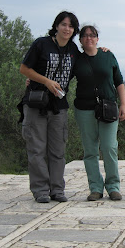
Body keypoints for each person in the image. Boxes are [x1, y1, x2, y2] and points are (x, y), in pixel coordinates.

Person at [19, 11, 80, 203]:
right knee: (36, 149)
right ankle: (40, 191)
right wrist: (46, 81)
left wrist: (102, 50)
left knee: (57, 150)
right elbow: (24, 69)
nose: (67, 29)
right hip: (36, 103)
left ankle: (57, 189)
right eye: (63, 24)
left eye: (70, 26)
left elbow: (86, 64)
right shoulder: (41, 44)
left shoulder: (73, 50)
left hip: (59, 107)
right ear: (56, 26)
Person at [73, 25, 125, 201]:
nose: (89, 38)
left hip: (108, 107)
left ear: (97, 39)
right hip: (84, 109)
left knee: (110, 147)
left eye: (92, 35)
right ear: (80, 40)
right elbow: (63, 76)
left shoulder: (108, 56)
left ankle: (113, 186)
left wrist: (123, 104)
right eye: (85, 36)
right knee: (90, 150)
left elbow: (119, 81)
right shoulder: (76, 60)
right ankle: (95, 188)